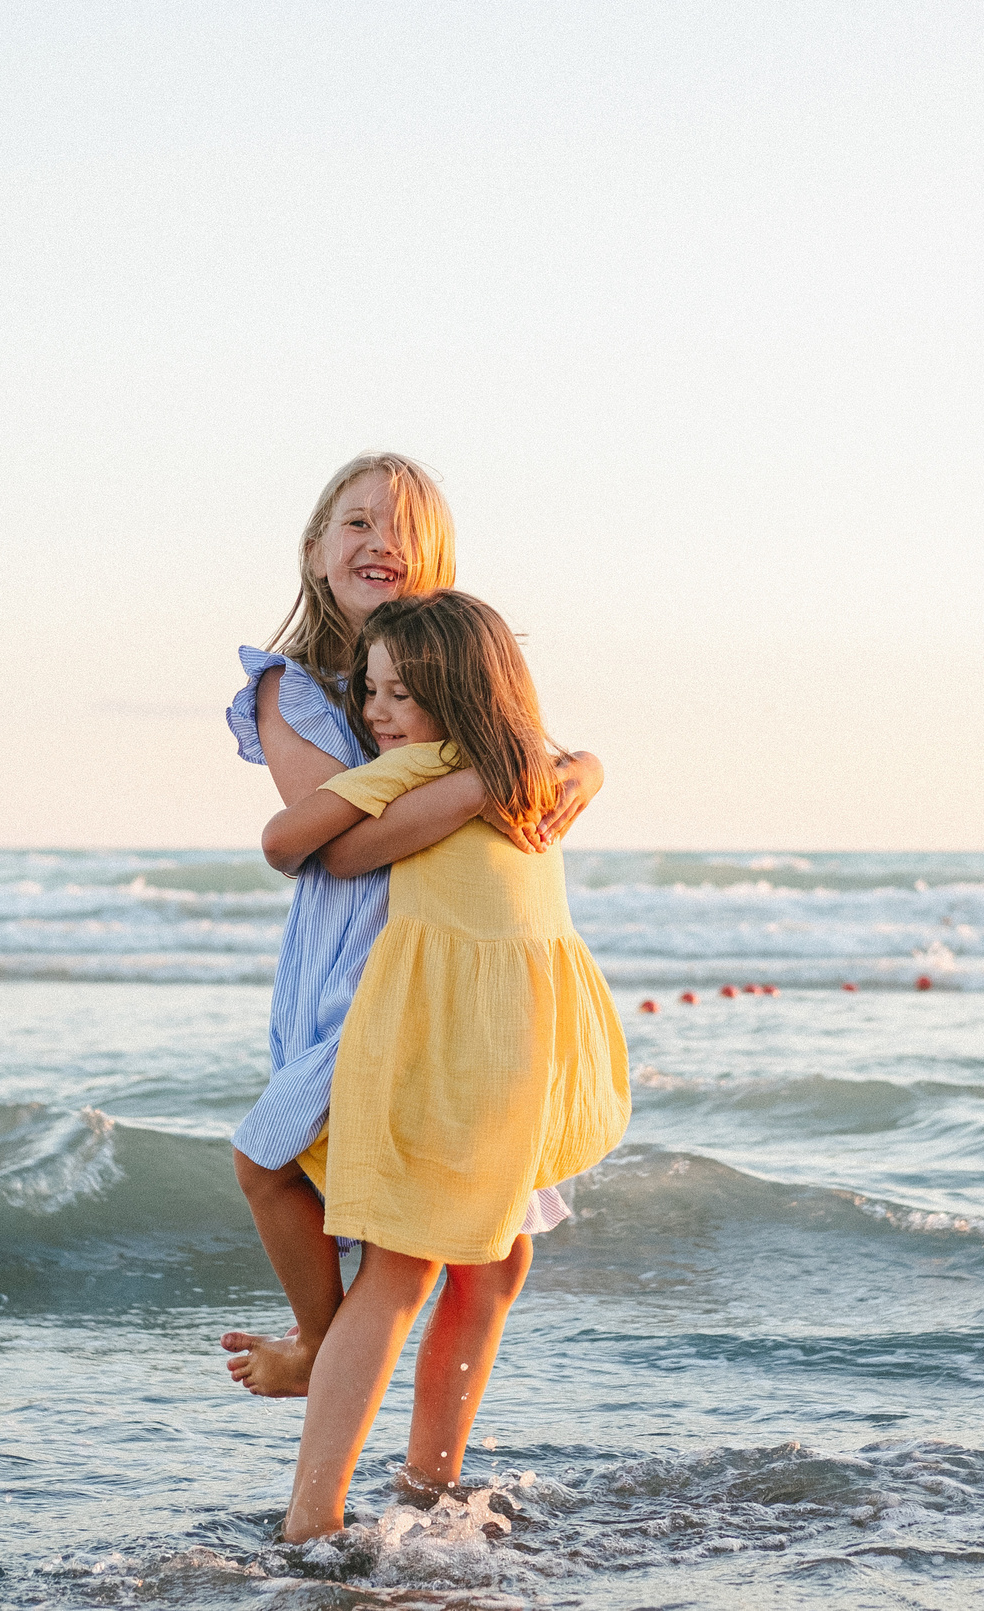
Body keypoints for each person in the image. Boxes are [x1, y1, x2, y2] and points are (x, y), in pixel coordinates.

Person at [221, 454, 602, 1398]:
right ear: (314, 552)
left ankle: (430, 1482)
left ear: (440, 561)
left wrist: (586, 768)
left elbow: (546, 761)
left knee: (490, 1255)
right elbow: (340, 847)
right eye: (356, 524)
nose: (381, 542)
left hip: (469, 975)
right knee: (284, 1164)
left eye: (406, 529)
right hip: (360, 974)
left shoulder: (468, 666)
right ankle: (319, 1344)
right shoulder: (294, 688)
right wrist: (488, 782)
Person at [257, 590, 631, 1541]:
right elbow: (292, 843)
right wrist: (469, 783)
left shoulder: (534, 774)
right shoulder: (428, 768)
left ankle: (428, 1488)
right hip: (448, 1045)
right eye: (369, 691)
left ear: (464, 691)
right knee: (404, 1265)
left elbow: (584, 767)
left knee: (498, 1261)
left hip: (509, 1049)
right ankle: (316, 1514)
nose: (374, 713)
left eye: (398, 694)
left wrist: (562, 769)